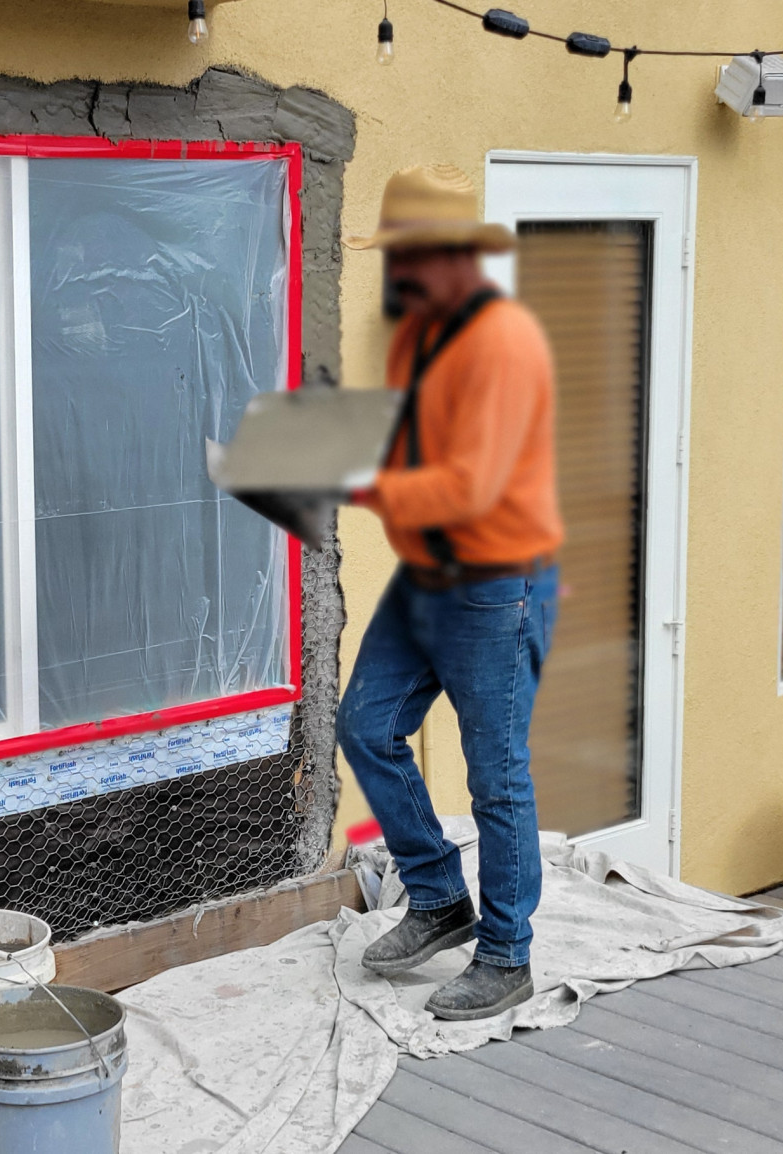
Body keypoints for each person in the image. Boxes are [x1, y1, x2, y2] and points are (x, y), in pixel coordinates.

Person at [339, 163, 563, 1022]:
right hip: (427, 573)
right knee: (365, 724)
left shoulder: (502, 345)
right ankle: (438, 897)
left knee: (496, 775)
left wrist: (359, 482)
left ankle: (508, 956)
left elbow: (470, 484)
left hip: (493, 582)